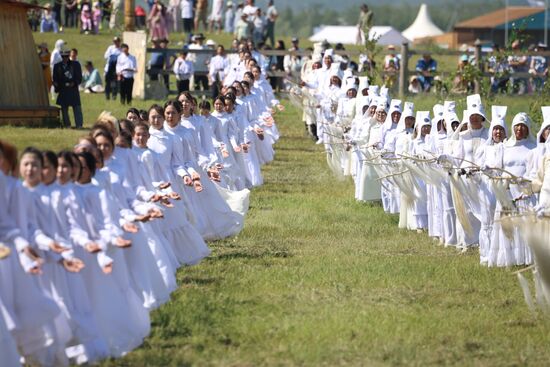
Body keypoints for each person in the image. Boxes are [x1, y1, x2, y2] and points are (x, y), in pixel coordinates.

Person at [52, 48, 83, 129]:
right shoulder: (57, 66)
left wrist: (74, 83)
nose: (65, 58)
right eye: (63, 56)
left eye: (66, 56)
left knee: (76, 107)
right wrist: (56, 84)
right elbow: (55, 78)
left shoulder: (75, 65)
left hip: (73, 89)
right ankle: (67, 124)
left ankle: (79, 124)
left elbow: (79, 77)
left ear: (68, 56)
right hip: (63, 89)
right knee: (64, 108)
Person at [104, 36, 122, 100]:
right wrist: (112, 56)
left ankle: (114, 96)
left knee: (114, 83)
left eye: (117, 41)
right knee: (108, 83)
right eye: (114, 41)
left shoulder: (121, 50)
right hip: (109, 68)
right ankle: (107, 95)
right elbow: (105, 56)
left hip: (116, 69)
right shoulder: (110, 48)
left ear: (119, 42)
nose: (116, 43)